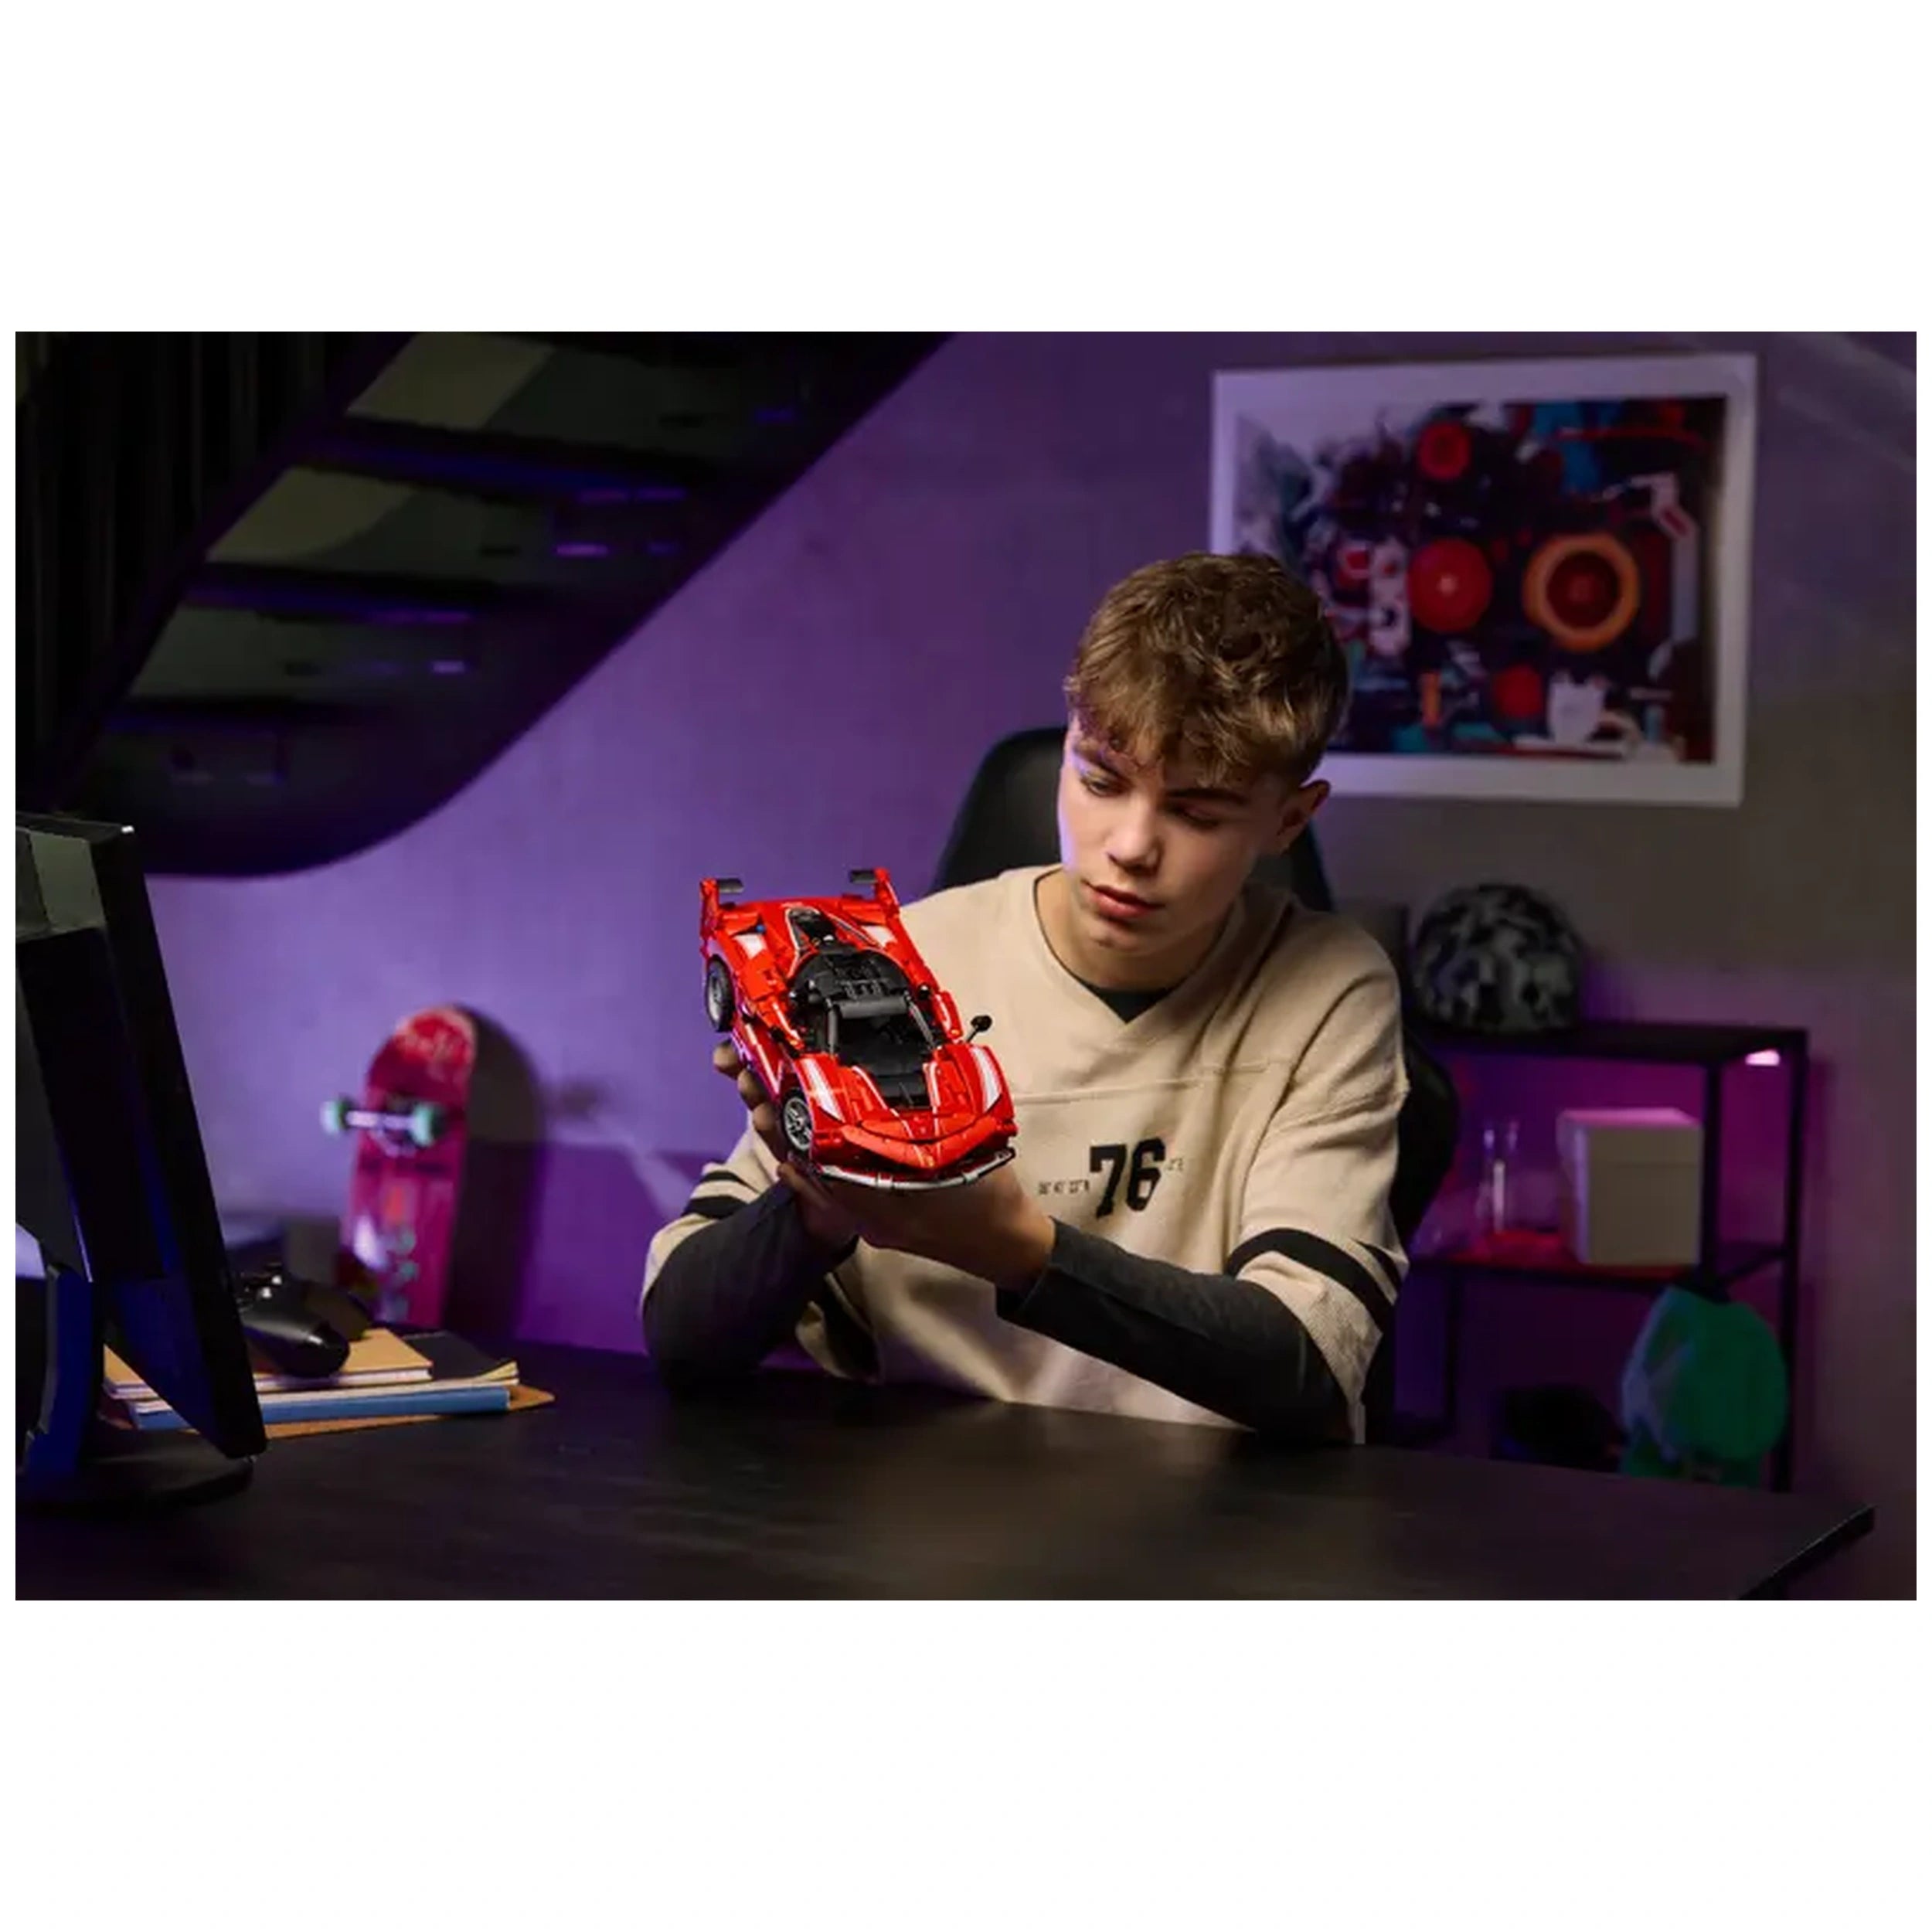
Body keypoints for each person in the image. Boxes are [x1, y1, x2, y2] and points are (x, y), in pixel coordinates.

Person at [639, 552, 1408, 1441]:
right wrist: (815, 1210)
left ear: (1289, 820)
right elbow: (680, 1337)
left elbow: (1308, 1365)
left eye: (1197, 813)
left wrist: (1010, 1248)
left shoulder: (1329, 990)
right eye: (1099, 778)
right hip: (914, 1513)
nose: (1128, 844)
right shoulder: (907, 957)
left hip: (1211, 1530)